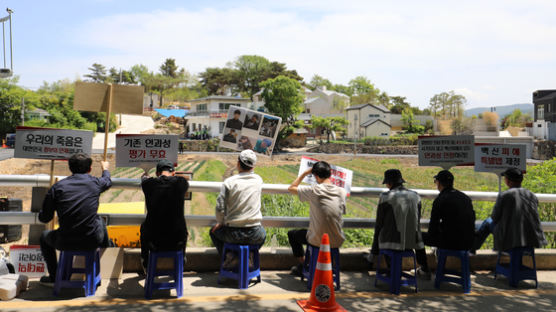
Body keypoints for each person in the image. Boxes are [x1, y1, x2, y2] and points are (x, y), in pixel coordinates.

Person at [38, 153, 112, 286]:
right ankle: (107, 246)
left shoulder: (58, 187)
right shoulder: (94, 183)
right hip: (92, 240)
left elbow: (45, 218)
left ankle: (54, 277)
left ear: (70, 168)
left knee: (44, 236)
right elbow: (107, 181)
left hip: (64, 241)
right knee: (99, 220)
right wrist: (105, 169)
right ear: (89, 169)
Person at [367, 169, 431, 279]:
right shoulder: (415, 196)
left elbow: (379, 224)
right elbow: (417, 219)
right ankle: (425, 268)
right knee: (416, 233)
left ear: (389, 183)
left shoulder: (385, 197)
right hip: (413, 244)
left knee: (385, 234)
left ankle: (392, 269)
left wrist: (374, 252)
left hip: (392, 243)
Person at [287, 161, 346, 276]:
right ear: (330, 174)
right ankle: (327, 268)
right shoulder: (342, 192)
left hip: (318, 240)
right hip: (336, 240)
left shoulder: (314, 190)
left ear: (316, 176)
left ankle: (304, 264)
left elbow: (291, 188)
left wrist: (304, 173)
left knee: (292, 234)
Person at [210, 150, 266, 268]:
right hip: (255, 233)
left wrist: (220, 222)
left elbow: (220, 207)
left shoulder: (229, 182)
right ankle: (249, 256)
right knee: (263, 234)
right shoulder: (258, 180)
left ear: (238, 164)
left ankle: (229, 258)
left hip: (233, 233)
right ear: (253, 166)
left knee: (213, 232)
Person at [472, 168, 547, 252]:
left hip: (511, 240)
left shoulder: (504, 195)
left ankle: (472, 249)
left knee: (487, 222)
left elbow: (494, 217)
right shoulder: (531, 195)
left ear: (507, 181)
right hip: (531, 240)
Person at [140, 160, 189, 271]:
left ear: (157, 173)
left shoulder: (148, 184)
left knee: (144, 227)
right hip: (177, 242)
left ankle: (145, 261)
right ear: (173, 173)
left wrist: (145, 177)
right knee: (183, 228)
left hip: (154, 242)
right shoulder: (181, 183)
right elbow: (181, 180)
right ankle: (182, 260)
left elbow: (144, 180)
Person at [421, 170, 475, 252]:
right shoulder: (465, 197)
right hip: (468, 242)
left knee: (417, 236)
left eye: (435, 182)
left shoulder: (440, 199)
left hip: (451, 243)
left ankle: (423, 264)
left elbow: (433, 227)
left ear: (439, 183)